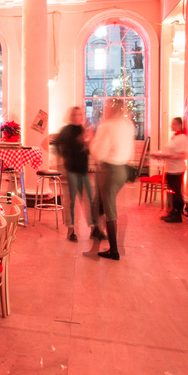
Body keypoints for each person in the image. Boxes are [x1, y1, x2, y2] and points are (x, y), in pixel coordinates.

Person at [88, 100, 136, 260]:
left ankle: (114, 250)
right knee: (99, 202)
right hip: (123, 169)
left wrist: (91, 141)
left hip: (109, 170)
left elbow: (98, 153)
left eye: (107, 107)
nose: (105, 110)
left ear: (112, 109)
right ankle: (96, 229)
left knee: (109, 209)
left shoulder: (107, 126)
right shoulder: (128, 125)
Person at [54, 106, 93, 243]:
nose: (77, 117)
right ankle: (71, 230)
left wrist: (88, 142)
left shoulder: (84, 130)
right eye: (74, 114)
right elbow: (57, 144)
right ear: (71, 116)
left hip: (83, 170)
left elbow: (87, 151)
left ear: (82, 116)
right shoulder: (67, 130)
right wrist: (62, 158)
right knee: (71, 201)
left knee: (89, 199)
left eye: (79, 114)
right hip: (71, 170)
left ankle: (94, 229)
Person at [151, 117, 188, 223]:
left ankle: (177, 214)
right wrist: (162, 155)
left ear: (179, 125)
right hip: (170, 168)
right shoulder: (174, 137)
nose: (171, 126)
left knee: (176, 192)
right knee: (170, 191)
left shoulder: (182, 138)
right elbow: (171, 151)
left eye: (173, 124)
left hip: (177, 169)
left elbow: (182, 155)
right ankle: (172, 211)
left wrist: (166, 156)